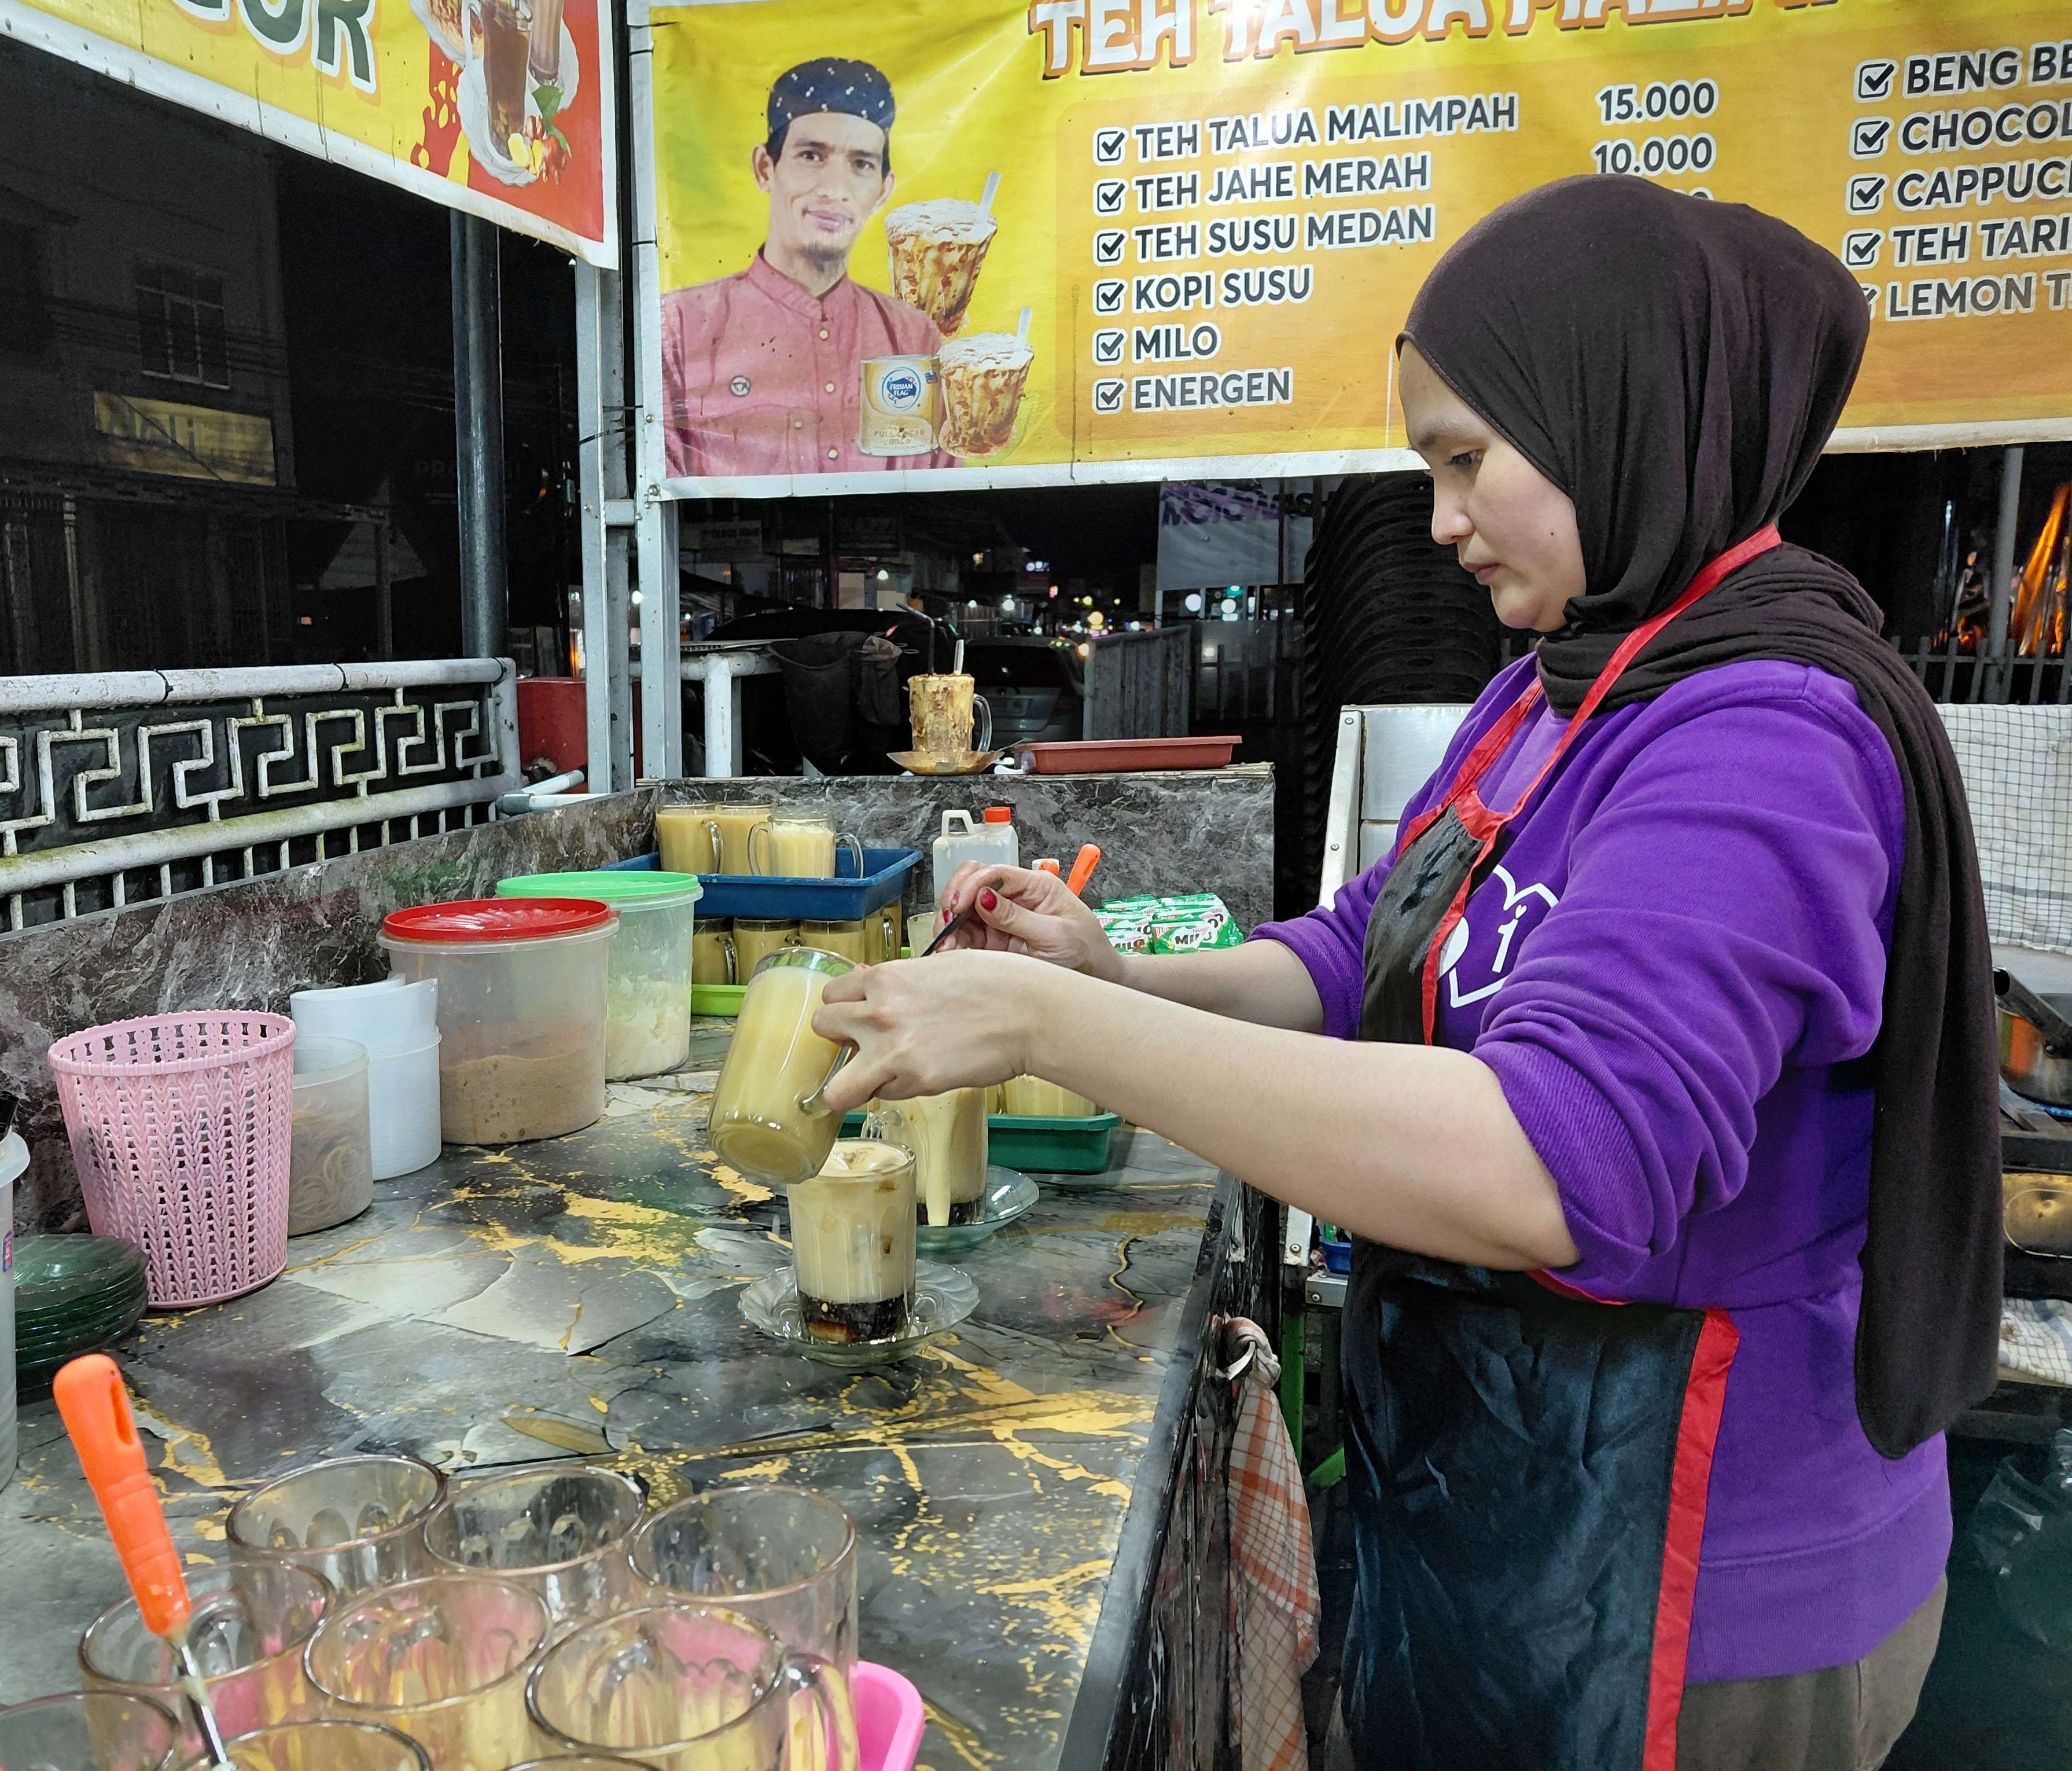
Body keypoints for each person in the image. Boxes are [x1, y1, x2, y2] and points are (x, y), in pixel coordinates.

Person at [813, 177, 2002, 1771]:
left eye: (1464, 459)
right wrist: (1116, 977)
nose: (1439, 520)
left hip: (1694, 1583)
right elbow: (1356, 950)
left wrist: (1050, 1021)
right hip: (1496, 1506)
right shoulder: (1550, 693)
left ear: (1615, 420)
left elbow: (1555, 1163)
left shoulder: (1765, 732)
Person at [661, 58, 954, 478]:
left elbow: (945, 491)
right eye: (812, 156)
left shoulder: (912, 337)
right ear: (765, 168)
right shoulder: (678, 327)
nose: (834, 189)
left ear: (883, 190)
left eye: (861, 164)